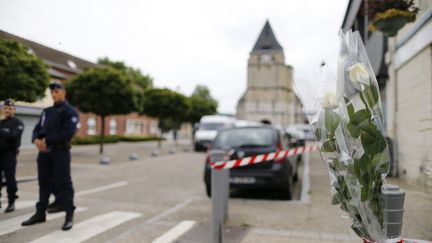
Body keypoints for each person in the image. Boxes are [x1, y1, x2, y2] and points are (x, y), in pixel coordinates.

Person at [22, 82, 79, 231]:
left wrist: (47, 140)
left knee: (64, 183)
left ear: (64, 92)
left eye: (57, 91)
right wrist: (35, 140)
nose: (54, 94)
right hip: (44, 153)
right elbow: (37, 129)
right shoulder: (46, 111)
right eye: (52, 91)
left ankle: (69, 215)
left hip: (60, 152)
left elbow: (68, 132)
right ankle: (40, 213)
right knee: (44, 183)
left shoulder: (70, 112)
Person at [0, 99, 24, 213]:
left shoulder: (18, 123)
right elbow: (7, 134)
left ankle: (11, 202)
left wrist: (2, 132)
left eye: (10, 108)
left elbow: (13, 136)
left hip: (9, 154)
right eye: (5, 108)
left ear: (14, 110)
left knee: (10, 178)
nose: (7, 110)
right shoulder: (1, 123)